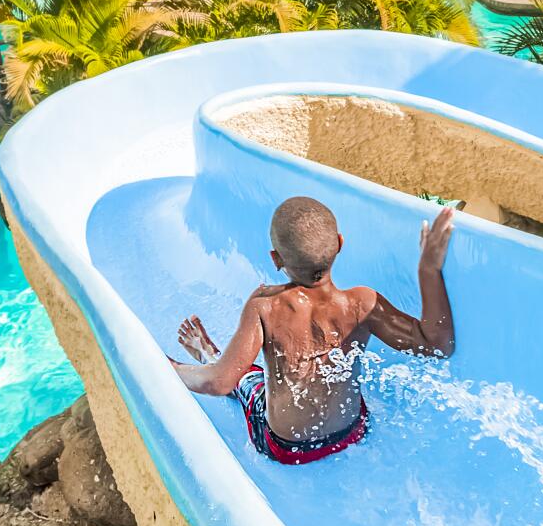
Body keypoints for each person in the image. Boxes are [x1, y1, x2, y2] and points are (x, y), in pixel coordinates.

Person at [171, 197, 456, 465]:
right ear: (340, 243)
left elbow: (219, 383)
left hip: (286, 449)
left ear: (276, 259)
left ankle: (210, 355)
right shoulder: (362, 304)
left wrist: (170, 368)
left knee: (249, 379)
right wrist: (429, 269)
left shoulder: (266, 306)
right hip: (352, 433)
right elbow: (437, 345)